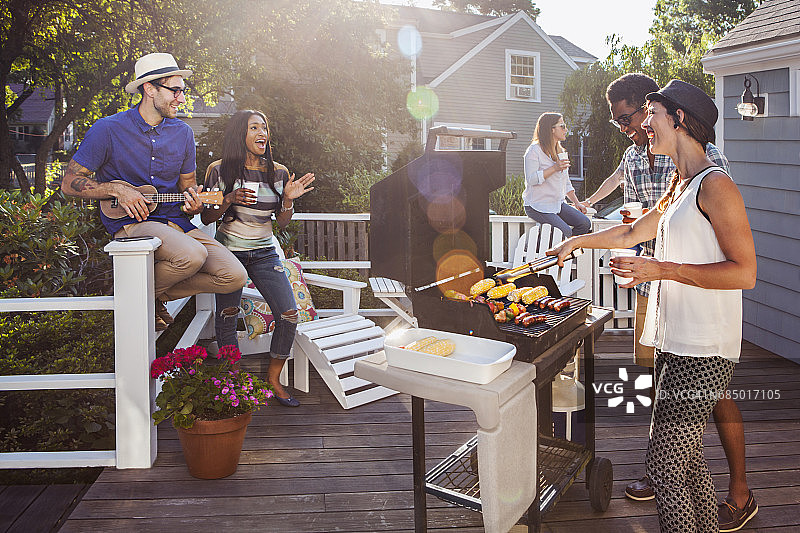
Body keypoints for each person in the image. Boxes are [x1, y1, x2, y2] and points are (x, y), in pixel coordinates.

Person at [549, 79, 758, 532]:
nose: (644, 125)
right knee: (689, 462)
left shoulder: (715, 186)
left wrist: (660, 270)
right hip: (673, 342)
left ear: (679, 119)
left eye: (652, 115)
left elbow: (745, 272)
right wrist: (576, 242)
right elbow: (629, 234)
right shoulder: (679, 186)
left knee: (664, 466)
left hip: (704, 351)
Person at [62, 52, 247, 331]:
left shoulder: (183, 133)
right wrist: (114, 189)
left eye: (182, 92)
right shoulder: (107, 129)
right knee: (193, 255)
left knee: (234, 276)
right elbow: (69, 181)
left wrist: (195, 203)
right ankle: (143, 295)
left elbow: (188, 186)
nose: (182, 99)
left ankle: (150, 296)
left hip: (176, 222)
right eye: (175, 91)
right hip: (130, 222)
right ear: (149, 89)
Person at [202, 110, 314, 407]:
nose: (262, 132)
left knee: (289, 314)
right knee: (227, 319)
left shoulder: (277, 172)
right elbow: (206, 214)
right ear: (241, 133)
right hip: (229, 252)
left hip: (264, 252)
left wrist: (288, 200)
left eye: (264, 126)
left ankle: (273, 378)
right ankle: (232, 380)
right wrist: (229, 199)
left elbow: (283, 223)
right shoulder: (220, 170)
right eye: (254, 127)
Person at [522, 112, 591, 237]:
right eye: (562, 126)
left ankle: (565, 251)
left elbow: (566, 182)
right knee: (565, 231)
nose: (566, 130)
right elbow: (531, 179)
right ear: (551, 129)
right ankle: (542, 247)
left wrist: (577, 203)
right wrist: (555, 168)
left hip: (557, 204)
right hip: (536, 205)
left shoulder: (561, 152)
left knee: (585, 223)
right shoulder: (534, 151)